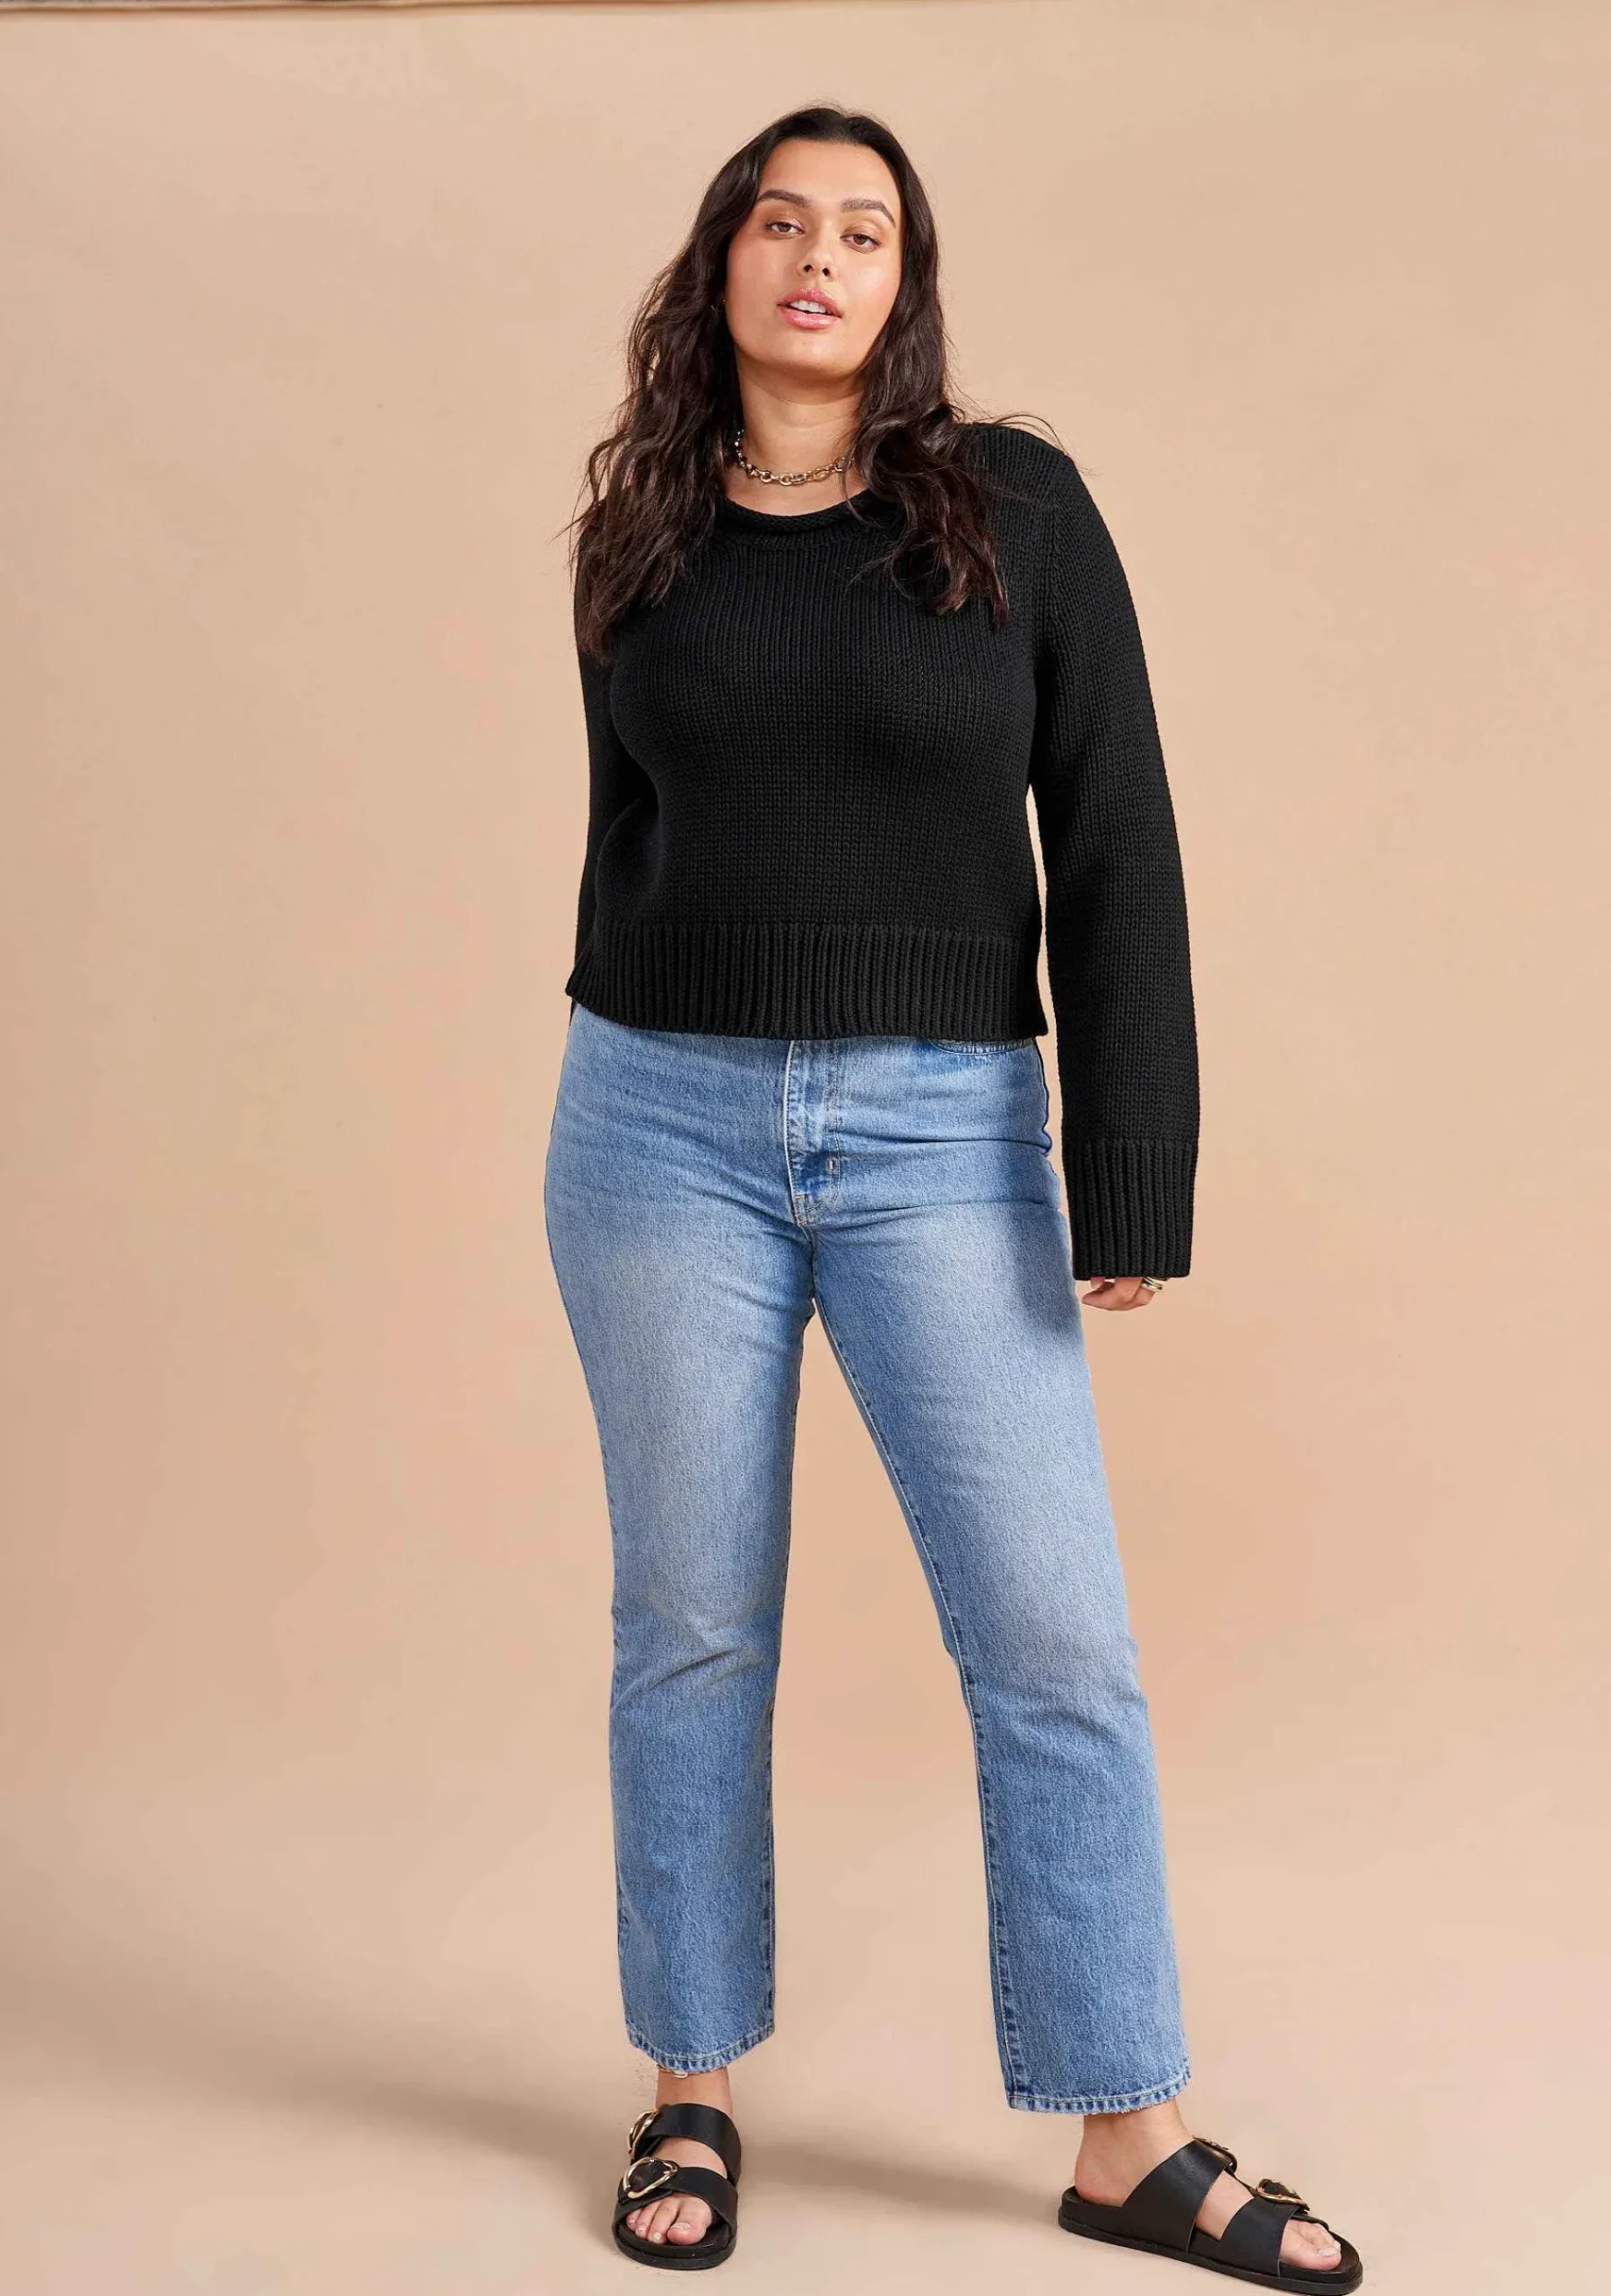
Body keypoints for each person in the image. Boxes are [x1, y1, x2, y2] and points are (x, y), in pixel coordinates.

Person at [543, 103, 1362, 2289]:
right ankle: (689, 2082)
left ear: (904, 287)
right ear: (719, 262)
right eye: (779, 221)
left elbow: (1114, 827)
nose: (817, 257)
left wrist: (1131, 1159)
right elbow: (631, 842)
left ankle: (1126, 2131)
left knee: (1050, 1635)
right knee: (688, 1623)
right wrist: (633, 1071)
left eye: (864, 232)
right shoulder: (636, 535)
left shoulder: (1013, 509)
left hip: (939, 1135)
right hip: (656, 1128)